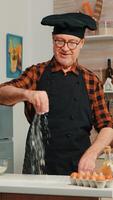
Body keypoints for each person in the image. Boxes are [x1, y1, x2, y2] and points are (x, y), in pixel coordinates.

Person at [0, 12, 113, 175]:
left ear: (81, 43)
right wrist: (27, 94)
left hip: (80, 170)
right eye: (59, 41)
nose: (65, 48)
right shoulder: (36, 72)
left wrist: (92, 153)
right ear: (53, 41)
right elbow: (2, 92)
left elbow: (107, 126)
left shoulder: (91, 80)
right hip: (38, 169)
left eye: (72, 43)